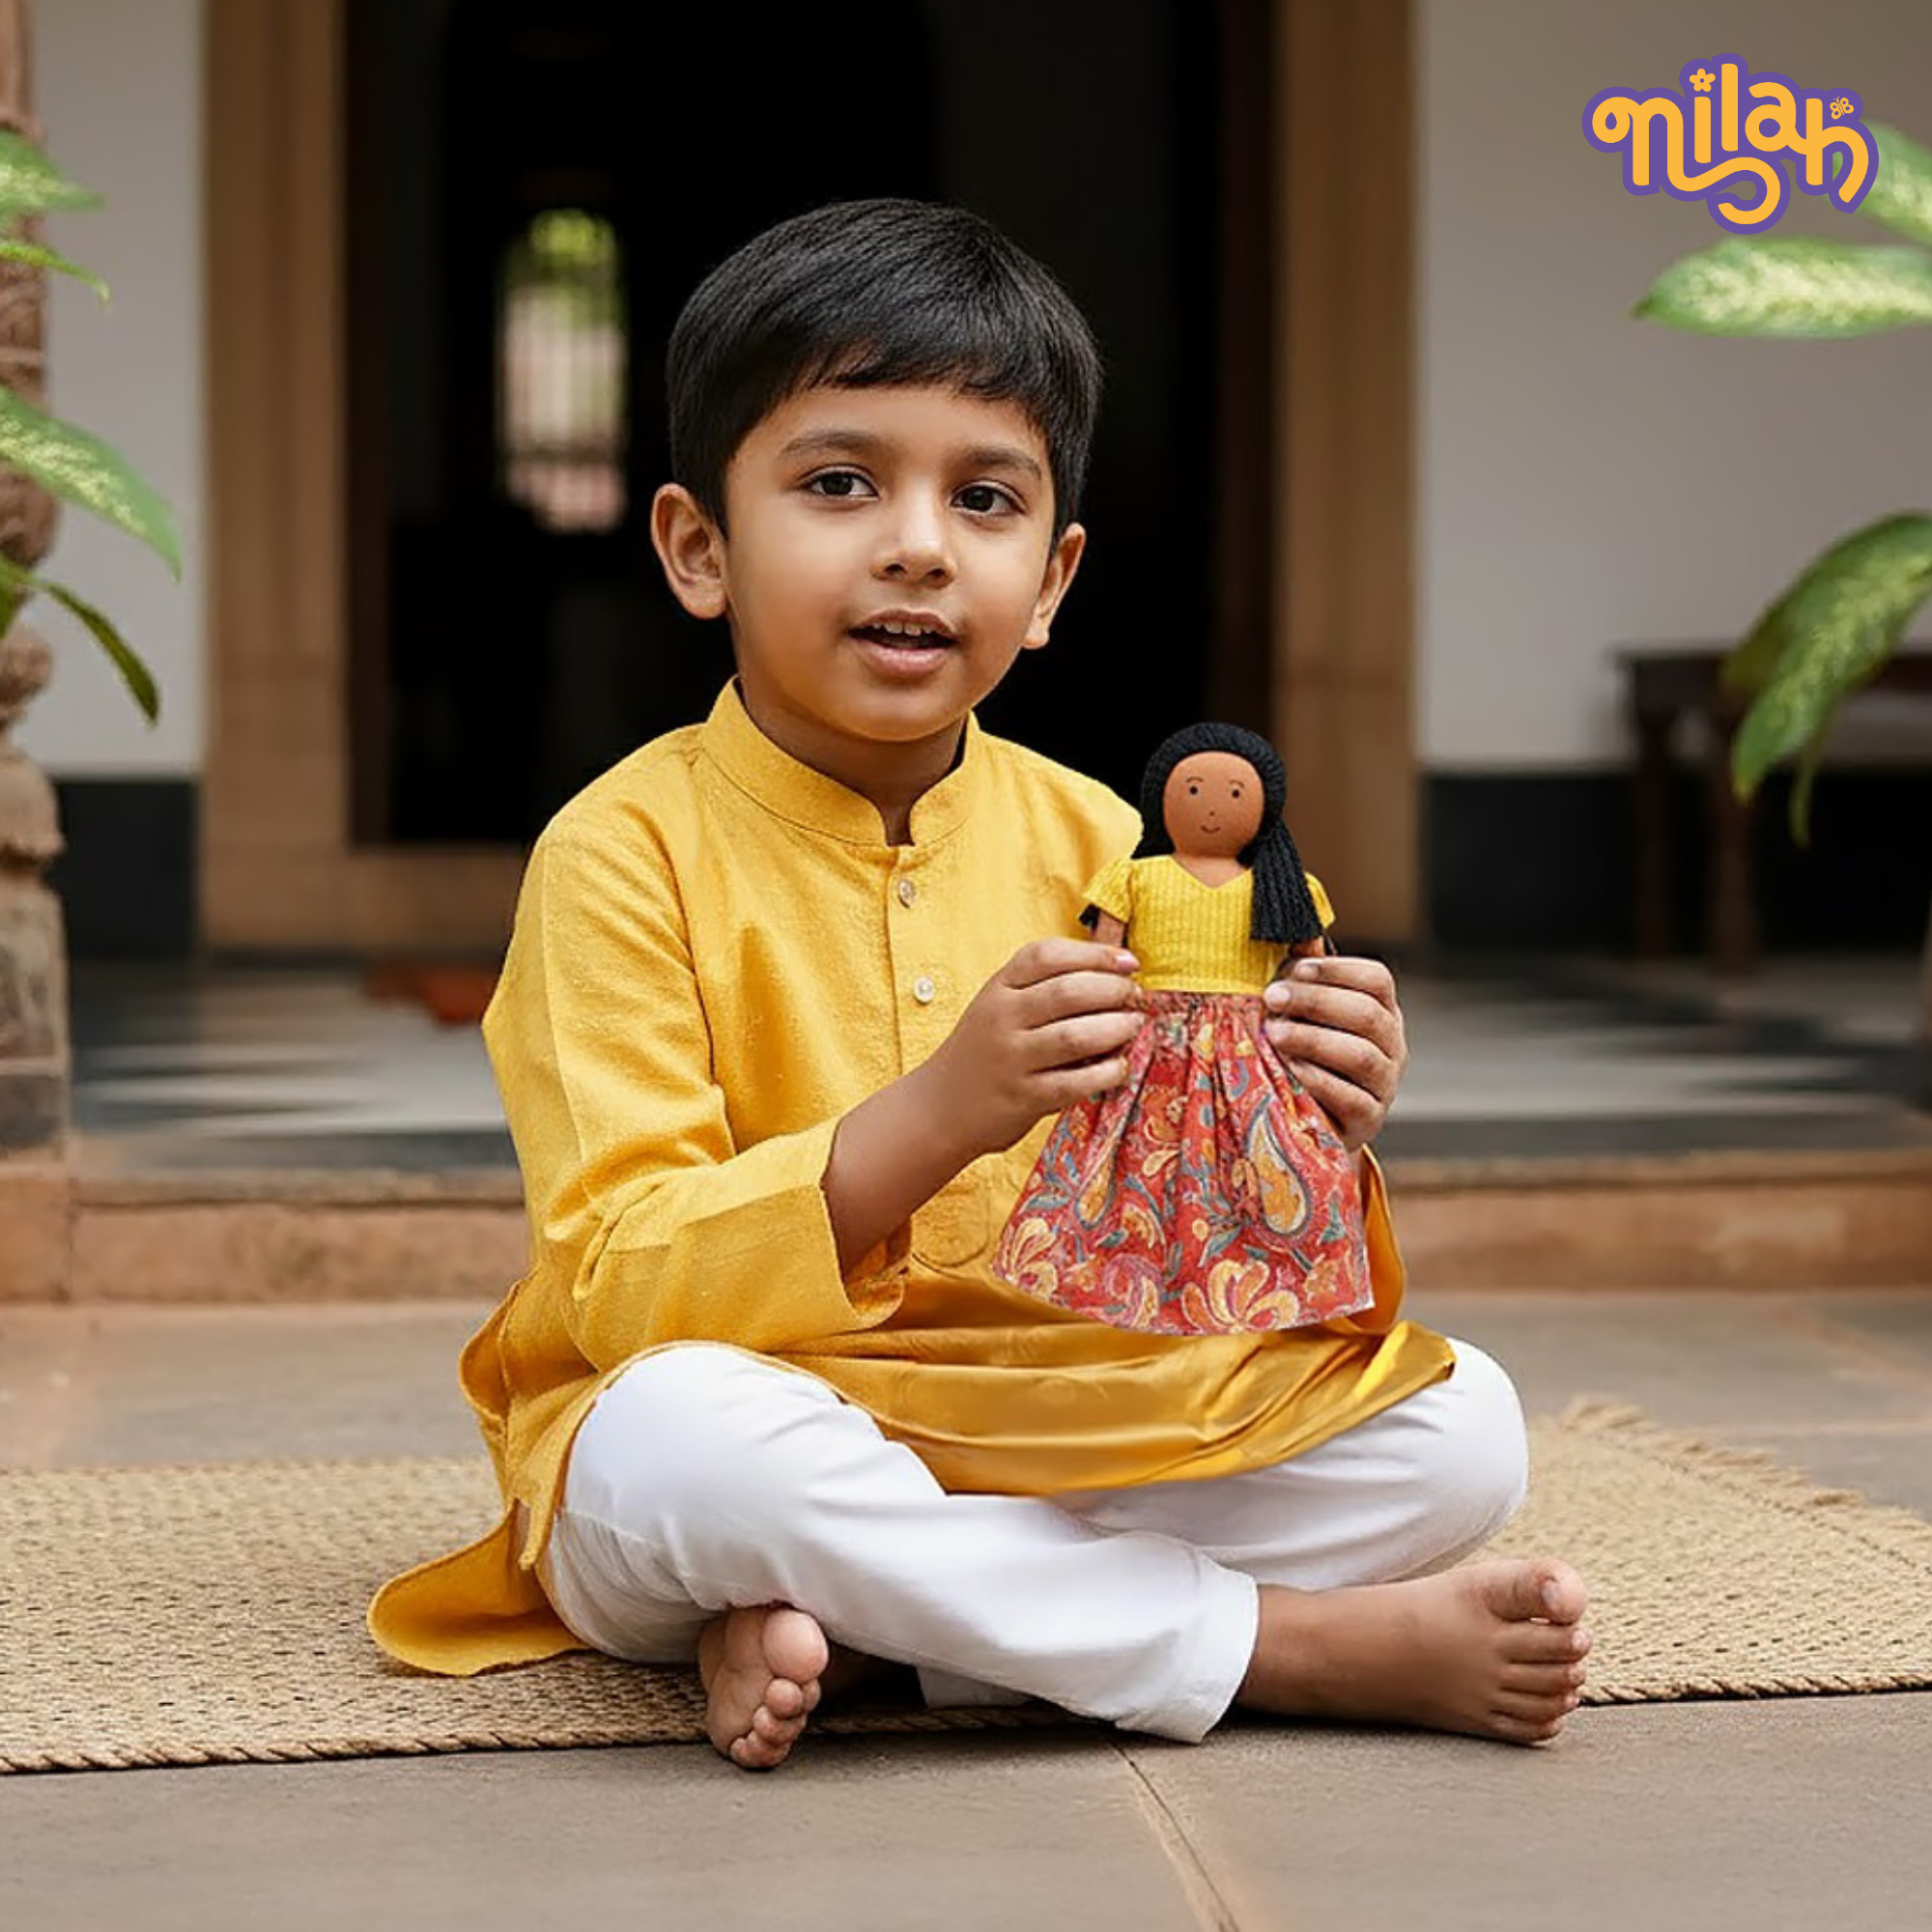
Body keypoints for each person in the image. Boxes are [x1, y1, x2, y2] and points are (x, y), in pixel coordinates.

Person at [369, 198, 1590, 1770]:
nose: (919, 543)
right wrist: (940, 1112)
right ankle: (1267, 1647)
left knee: (1461, 1427)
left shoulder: (1108, 841)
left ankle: (896, 1630)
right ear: (698, 545)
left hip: (1042, 1422)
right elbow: (617, 1283)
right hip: (750, 1421)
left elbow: (1183, 1231)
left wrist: (1314, 1120)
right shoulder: (619, 851)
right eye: (838, 482)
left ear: (1054, 575)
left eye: (987, 498)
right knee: (684, 1453)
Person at [994, 722, 1378, 1336]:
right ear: (1163, 799)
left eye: (1232, 795)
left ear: (1263, 810)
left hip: (1249, 1050)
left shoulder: (1282, 888)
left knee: (1257, 1169)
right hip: (1150, 1043)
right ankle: (1111, 1290)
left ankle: (1258, 1299)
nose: (1211, 808)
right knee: (1127, 1167)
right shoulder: (1137, 875)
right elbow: (1106, 952)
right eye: (1194, 790)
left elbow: (1314, 965)